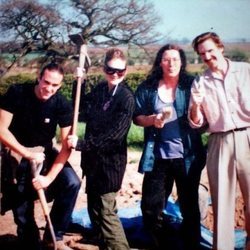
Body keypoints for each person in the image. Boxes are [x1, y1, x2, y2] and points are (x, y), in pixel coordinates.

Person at [0, 62, 81, 250]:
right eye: (46, 82)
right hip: (17, 151)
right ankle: (29, 237)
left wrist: (48, 178)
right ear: (39, 77)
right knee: (22, 197)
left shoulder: (61, 103)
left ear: (60, 85)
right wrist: (27, 153)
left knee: (72, 182)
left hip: (44, 152)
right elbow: (1, 129)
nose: (49, 88)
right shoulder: (17, 93)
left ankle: (55, 237)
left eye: (55, 85)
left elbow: (66, 146)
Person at [133, 44, 207, 250]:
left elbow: (202, 121)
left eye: (175, 59)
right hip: (157, 156)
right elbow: (137, 118)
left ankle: (191, 245)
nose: (171, 63)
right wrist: (152, 119)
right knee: (150, 208)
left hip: (188, 157)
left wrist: (196, 106)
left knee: (189, 208)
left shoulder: (192, 85)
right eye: (166, 59)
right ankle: (162, 244)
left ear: (182, 62)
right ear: (160, 62)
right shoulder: (148, 87)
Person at [67, 48, 135, 250]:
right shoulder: (100, 90)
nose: (115, 75)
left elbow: (113, 138)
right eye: (111, 70)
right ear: (104, 69)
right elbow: (81, 109)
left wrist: (81, 145)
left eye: (120, 72)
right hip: (92, 163)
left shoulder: (126, 98)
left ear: (126, 71)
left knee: (106, 213)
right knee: (94, 210)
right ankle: (103, 245)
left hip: (109, 166)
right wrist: (79, 81)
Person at [188, 32, 250, 250]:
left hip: (248, 136)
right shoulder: (200, 82)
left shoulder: (246, 71)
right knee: (222, 204)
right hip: (219, 141)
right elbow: (197, 123)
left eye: (210, 50)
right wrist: (195, 105)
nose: (207, 56)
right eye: (202, 53)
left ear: (221, 48)